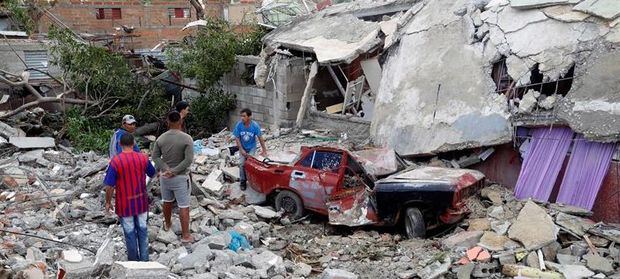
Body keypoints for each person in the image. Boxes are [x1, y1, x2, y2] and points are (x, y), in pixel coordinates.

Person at [103, 133, 156, 261]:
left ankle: (133, 262)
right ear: (133, 144)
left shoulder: (116, 161)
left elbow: (109, 185)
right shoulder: (142, 158)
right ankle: (144, 261)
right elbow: (152, 173)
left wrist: (108, 202)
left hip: (124, 203)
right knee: (143, 231)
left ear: (120, 144)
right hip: (141, 201)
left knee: (130, 233)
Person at [152, 111, 194, 243]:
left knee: (167, 201)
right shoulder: (187, 139)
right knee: (184, 205)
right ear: (180, 122)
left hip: (165, 177)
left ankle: (168, 224)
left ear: (167, 122)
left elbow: (155, 157)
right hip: (180, 177)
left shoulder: (161, 139)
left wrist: (166, 169)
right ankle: (186, 235)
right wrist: (175, 171)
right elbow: (188, 160)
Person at [233, 108, 267, 190]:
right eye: (241, 116)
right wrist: (241, 149)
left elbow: (260, 138)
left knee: (250, 163)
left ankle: (252, 180)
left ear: (249, 117)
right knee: (241, 164)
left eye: (244, 116)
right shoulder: (239, 125)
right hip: (243, 147)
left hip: (252, 147)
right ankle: (243, 182)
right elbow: (237, 138)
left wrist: (264, 150)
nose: (242, 118)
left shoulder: (255, 126)